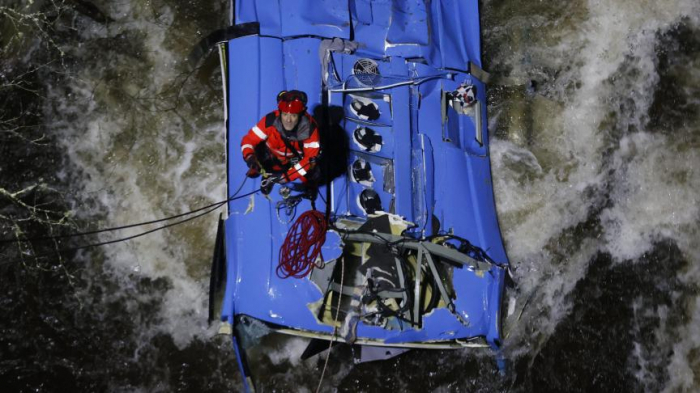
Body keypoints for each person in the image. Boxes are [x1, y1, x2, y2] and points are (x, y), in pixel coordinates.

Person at [240, 90, 321, 194]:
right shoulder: (269, 121)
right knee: (262, 158)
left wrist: (286, 177)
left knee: (312, 172)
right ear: (280, 113)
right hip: (271, 155)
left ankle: (309, 186)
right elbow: (248, 140)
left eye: (293, 115)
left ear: (300, 115)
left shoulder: (310, 130)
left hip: (294, 159)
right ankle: (267, 177)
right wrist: (249, 157)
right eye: (285, 114)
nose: (288, 120)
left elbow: (308, 160)